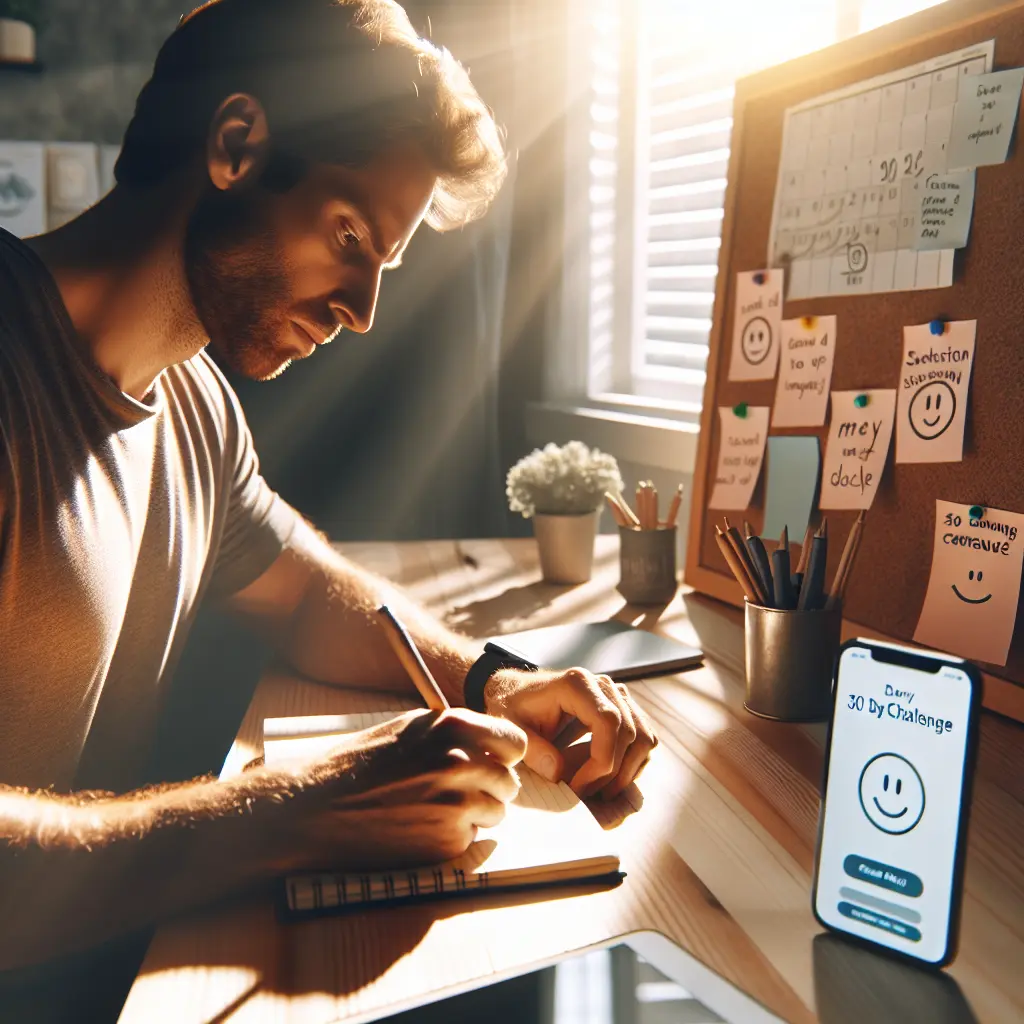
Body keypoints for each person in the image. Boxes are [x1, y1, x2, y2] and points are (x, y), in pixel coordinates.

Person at [0, 0, 658, 982]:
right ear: (236, 144)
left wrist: (496, 682)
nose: (360, 312)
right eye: (351, 238)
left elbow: (311, 592)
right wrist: (297, 813)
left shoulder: (196, 408)